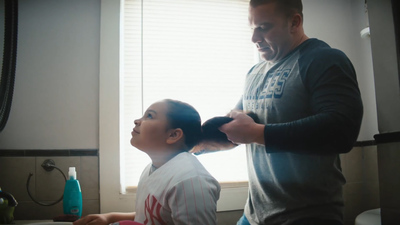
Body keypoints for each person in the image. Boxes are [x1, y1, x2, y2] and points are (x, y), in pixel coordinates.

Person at [216, 0, 364, 225]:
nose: (254, 38)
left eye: (263, 28)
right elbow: (237, 128)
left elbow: (341, 130)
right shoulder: (254, 72)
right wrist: (187, 141)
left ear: (295, 22)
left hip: (307, 216)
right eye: (252, 28)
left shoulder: (324, 59)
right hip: (253, 215)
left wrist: (257, 133)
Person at [73, 99, 221, 225]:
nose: (137, 121)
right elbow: (147, 216)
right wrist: (109, 217)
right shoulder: (155, 168)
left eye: (149, 116)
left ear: (173, 135)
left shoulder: (191, 181)